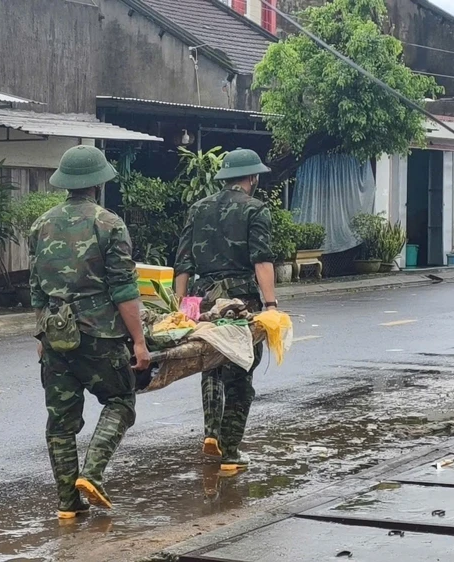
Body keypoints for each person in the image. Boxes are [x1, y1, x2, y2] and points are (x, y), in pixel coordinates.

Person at [29, 145, 151, 519]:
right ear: (98, 182)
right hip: (99, 335)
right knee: (120, 401)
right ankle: (92, 474)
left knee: (60, 423)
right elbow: (124, 290)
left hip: (55, 335)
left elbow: (36, 288)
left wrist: (40, 336)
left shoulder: (40, 225)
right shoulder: (110, 224)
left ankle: (68, 503)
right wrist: (140, 342)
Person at [173, 148, 278, 475]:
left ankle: (211, 433)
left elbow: (183, 261)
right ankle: (231, 452)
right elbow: (261, 260)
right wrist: (271, 305)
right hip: (238, 300)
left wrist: (180, 306)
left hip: (201, 300)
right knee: (240, 369)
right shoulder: (255, 210)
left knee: (210, 361)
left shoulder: (198, 208)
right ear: (252, 177)